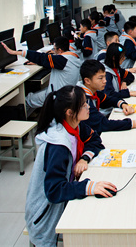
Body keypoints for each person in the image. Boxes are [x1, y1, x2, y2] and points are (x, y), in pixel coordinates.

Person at [24, 86, 115, 247]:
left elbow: (95, 140)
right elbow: (54, 190)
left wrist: (84, 159)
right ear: (70, 112)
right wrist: (88, 187)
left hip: (61, 197)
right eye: (84, 105)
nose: (88, 107)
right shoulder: (58, 145)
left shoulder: (75, 126)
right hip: (45, 213)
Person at [2, 36, 83, 114]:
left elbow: (41, 57)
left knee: (27, 100)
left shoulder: (61, 60)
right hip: (66, 93)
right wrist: (39, 62)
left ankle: (24, 120)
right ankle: (35, 113)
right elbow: (49, 61)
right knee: (37, 93)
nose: (53, 51)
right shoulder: (73, 58)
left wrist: (15, 52)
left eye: (54, 49)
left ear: (60, 50)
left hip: (56, 96)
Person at [76, 59, 136, 133]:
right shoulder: (83, 100)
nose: (105, 81)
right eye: (100, 78)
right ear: (87, 81)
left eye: (105, 77)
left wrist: (123, 104)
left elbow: (109, 100)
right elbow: (104, 124)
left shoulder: (91, 91)